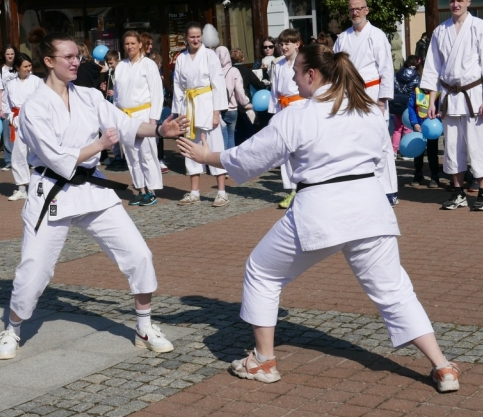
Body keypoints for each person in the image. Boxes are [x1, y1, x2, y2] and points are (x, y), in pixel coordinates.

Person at [176, 44, 460, 392]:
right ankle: (443, 366)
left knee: (262, 270)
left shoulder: (299, 115)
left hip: (322, 208)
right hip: (369, 206)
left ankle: (263, 361)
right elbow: (378, 156)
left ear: (312, 75)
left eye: (296, 73)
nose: (294, 80)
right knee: (395, 291)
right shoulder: (368, 110)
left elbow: (252, 156)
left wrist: (209, 155)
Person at [0, 33, 189, 360]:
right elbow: (57, 158)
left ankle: (144, 325)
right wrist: (99, 145)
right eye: (68, 57)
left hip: (93, 190)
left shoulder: (88, 96)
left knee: (139, 254)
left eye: (77, 57)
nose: (75, 62)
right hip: (53, 190)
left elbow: (124, 124)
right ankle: (11, 329)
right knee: (34, 272)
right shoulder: (34, 108)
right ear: (48, 62)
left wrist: (158, 131)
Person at [421, 0, 483, 212]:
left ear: (468, 3)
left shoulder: (480, 27)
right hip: (448, 95)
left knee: (477, 145)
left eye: (460, 0)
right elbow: (432, 68)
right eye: (452, 0)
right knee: (452, 147)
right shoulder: (440, 31)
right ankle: (458, 192)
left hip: (473, 94)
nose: (455, 4)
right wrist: (431, 101)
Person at [334, 0, 398, 206]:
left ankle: (389, 190)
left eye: (359, 9)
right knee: (355, 142)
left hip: (373, 95)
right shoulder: (343, 37)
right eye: (352, 9)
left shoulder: (377, 35)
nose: (355, 13)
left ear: (367, 10)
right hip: (349, 96)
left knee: (381, 142)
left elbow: (386, 69)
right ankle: (362, 188)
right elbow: (336, 69)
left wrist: (382, 100)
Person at [172, 22, 229, 207]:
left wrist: (216, 113)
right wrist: (179, 115)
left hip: (206, 103)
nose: (195, 40)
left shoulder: (209, 55)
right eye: (192, 37)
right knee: (190, 149)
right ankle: (194, 192)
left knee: (214, 147)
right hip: (189, 107)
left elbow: (218, 84)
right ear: (186, 38)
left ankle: (221, 192)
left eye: (198, 36)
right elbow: (178, 87)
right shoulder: (181, 58)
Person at [114, 31, 164, 207]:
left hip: (143, 114)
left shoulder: (148, 65)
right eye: (127, 44)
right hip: (125, 116)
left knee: (147, 153)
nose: (130, 47)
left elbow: (157, 93)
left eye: (133, 43)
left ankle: (151, 190)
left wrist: (153, 119)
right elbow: (117, 95)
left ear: (140, 44)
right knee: (131, 155)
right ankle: (141, 189)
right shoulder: (121, 66)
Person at [268, 28, 304, 209]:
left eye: (287, 43)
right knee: (286, 152)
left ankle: (302, 188)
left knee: (301, 150)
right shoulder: (279, 65)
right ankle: (291, 189)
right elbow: (275, 91)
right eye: (281, 44)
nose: (283, 47)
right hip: (283, 108)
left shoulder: (304, 62)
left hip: (300, 108)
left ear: (297, 44)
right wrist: (274, 114)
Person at [0, 53, 40, 201]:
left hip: (34, 121)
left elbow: (44, 101)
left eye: (30, 66)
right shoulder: (10, 84)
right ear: (17, 67)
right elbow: (6, 104)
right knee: (18, 154)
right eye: (25, 66)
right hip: (17, 121)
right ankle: (22, 188)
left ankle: (40, 188)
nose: (29, 69)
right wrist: (11, 117)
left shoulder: (37, 81)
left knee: (39, 154)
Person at [217, 45, 252, 153]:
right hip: (232, 109)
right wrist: (246, 104)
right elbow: (239, 91)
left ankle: (220, 160)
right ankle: (230, 160)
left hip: (217, 109)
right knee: (231, 136)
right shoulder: (234, 71)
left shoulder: (213, 71)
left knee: (220, 137)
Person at [407, 85, 441, 189]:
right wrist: (414, 123)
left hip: (432, 129)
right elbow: (411, 108)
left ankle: (434, 176)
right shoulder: (417, 91)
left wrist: (439, 118)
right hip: (419, 127)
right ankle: (418, 173)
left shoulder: (438, 92)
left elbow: (441, 107)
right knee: (418, 152)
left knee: (432, 152)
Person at [0, 43, 18, 163]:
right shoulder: (0, 71)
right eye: (8, 54)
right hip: (7, 107)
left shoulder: (20, 67)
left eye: (12, 54)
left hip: (20, 106)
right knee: (7, 137)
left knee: (22, 136)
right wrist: (0, 109)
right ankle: (9, 161)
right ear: (4, 55)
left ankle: (26, 161)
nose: (10, 56)